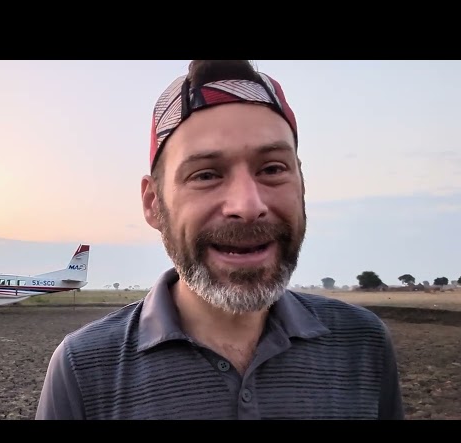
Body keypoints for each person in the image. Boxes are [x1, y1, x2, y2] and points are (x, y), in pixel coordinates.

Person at [35, 60, 405, 420]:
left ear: (302, 186)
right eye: (206, 174)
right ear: (153, 204)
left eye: (273, 169)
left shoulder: (364, 344)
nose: (248, 206)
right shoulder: (82, 368)